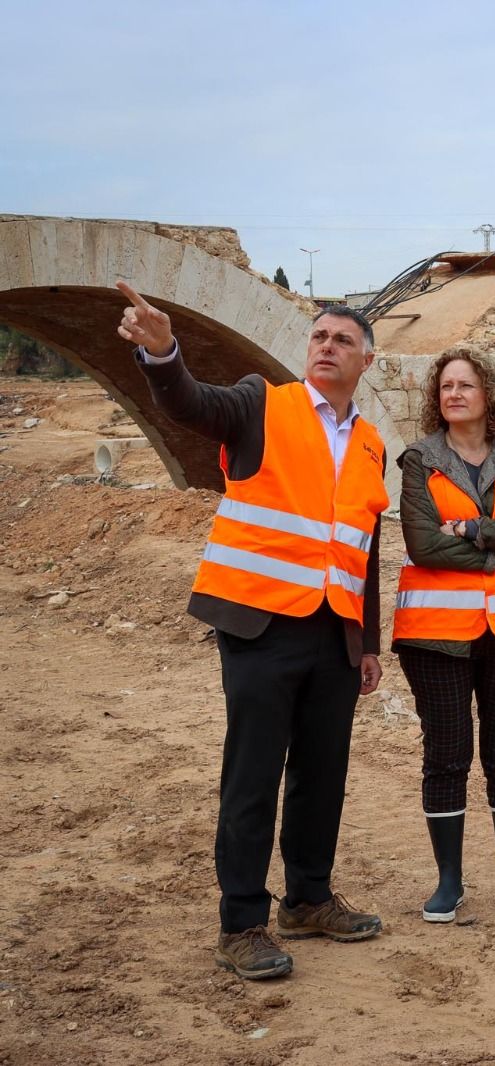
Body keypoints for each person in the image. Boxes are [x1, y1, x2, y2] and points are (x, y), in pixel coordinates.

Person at [118, 282, 388, 981]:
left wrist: (367, 643)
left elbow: (364, 547)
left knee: (322, 773)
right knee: (254, 774)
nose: (327, 347)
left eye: (342, 341)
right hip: (260, 623)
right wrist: (163, 354)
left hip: (334, 630)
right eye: (319, 338)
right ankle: (242, 923)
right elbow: (191, 403)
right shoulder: (262, 403)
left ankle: (308, 898)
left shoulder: (369, 445)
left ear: (367, 360)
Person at [393, 345, 495, 923]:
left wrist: (470, 528)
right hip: (437, 635)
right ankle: (449, 881)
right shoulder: (419, 460)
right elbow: (422, 543)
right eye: (445, 388)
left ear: (489, 393)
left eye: (465, 385)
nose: (454, 394)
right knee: (447, 756)